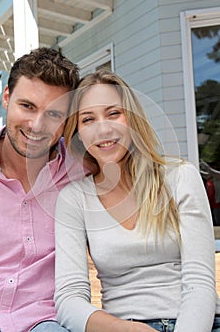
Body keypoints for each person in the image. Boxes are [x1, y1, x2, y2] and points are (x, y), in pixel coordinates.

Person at [54, 69, 220, 332]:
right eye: (88, 119)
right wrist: (129, 329)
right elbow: (69, 299)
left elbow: (200, 284)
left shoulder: (180, 177)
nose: (103, 129)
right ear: (77, 133)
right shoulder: (74, 200)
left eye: (113, 114)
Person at [0, 47, 84, 332]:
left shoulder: (83, 170)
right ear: (7, 98)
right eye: (27, 106)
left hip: (42, 323)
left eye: (53, 113)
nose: (37, 125)